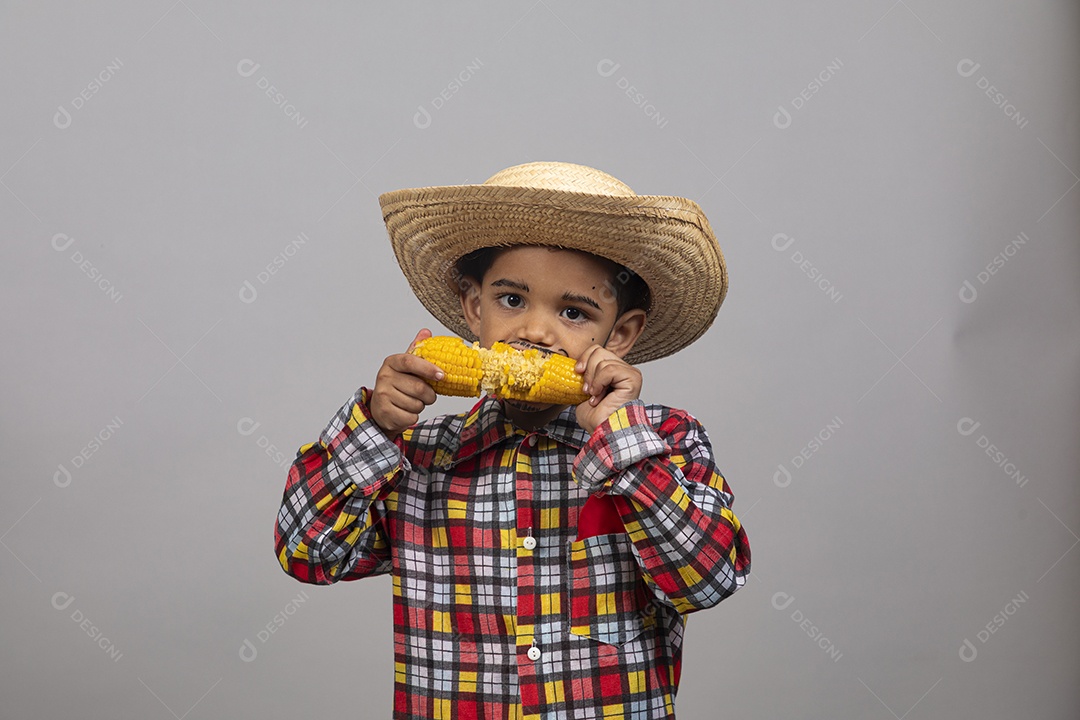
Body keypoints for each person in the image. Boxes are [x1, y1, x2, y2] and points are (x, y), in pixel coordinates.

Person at [273, 161, 751, 719]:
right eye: (512, 300)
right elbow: (308, 553)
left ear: (619, 335)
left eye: (573, 312)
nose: (535, 332)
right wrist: (375, 429)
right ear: (475, 309)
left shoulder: (664, 442)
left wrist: (621, 444)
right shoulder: (415, 458)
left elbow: (709, 580)